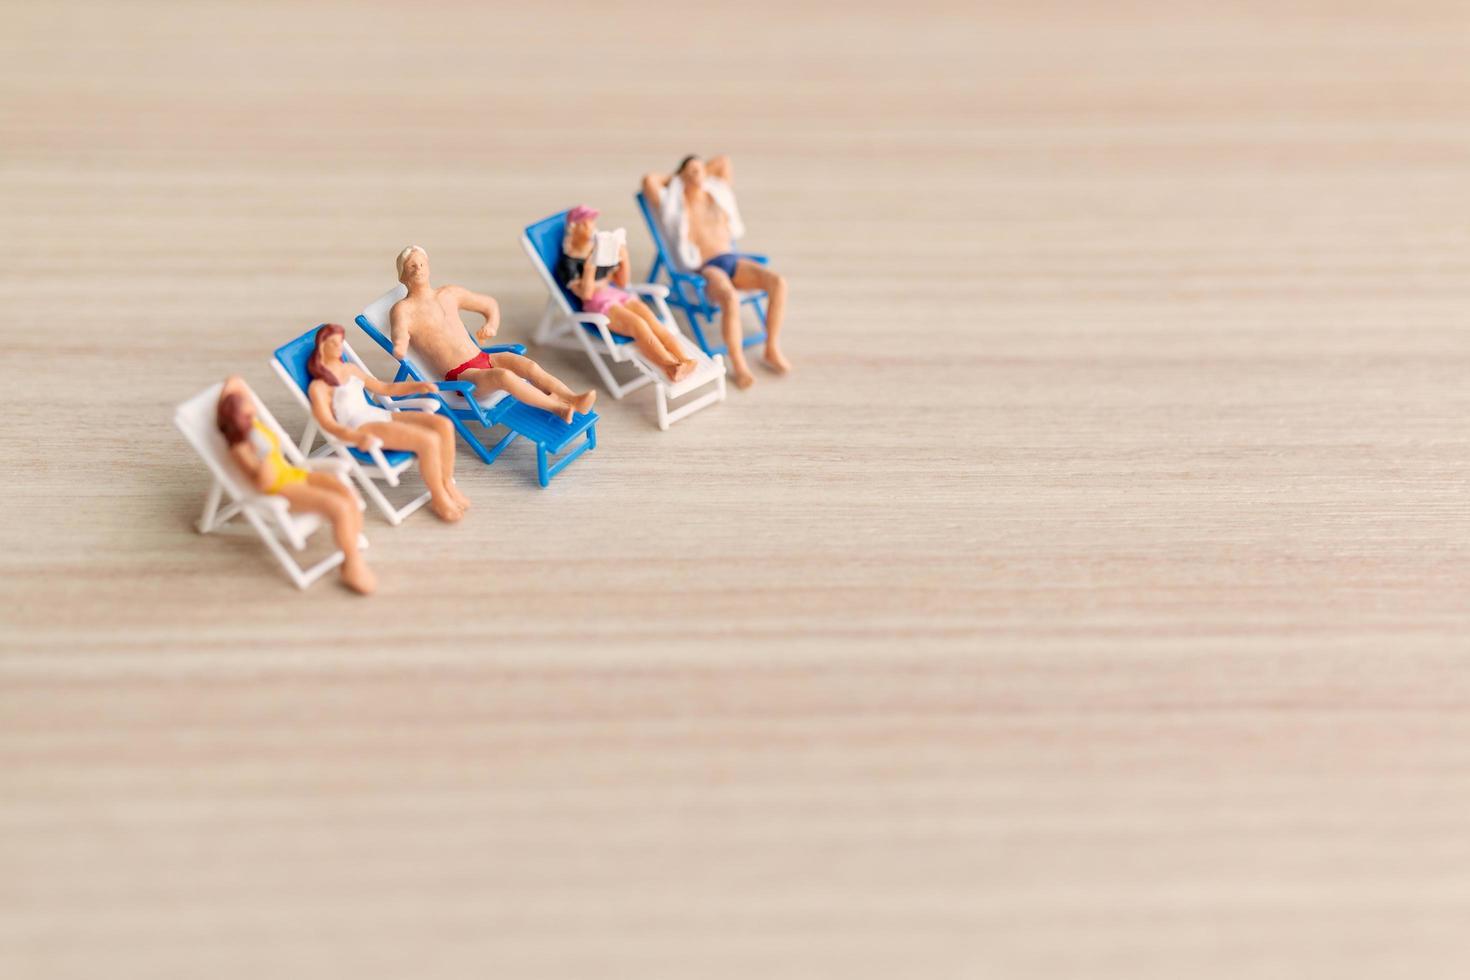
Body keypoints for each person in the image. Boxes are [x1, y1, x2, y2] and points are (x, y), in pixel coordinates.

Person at [389, 246, 596, 423]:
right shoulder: (404, 310)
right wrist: (400, 345)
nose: (418, 269)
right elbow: (400, 332)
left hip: (483, 357)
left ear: (429, 266)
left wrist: (492, 324)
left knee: (528, 366)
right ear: (403, 276)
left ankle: (573, 398)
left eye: (421, 264)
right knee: (504, 377)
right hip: (462, 377)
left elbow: (489, 304)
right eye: (411, 266)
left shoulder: (449, 294)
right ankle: (557, 408)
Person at [215, 376, 375, 595]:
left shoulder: (255, 427)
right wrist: (263, 455)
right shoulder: (240, 448)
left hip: (293, 473)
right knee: (337, 505)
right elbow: (262, 483)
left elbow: (236, 381)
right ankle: (352, 563)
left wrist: (233, 397)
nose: (251, 404)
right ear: (235, 415)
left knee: (346, 492)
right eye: (246, 405)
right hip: (280, 488)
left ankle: (351, 538)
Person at [641, 154, 790, 389]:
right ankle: (739, 366)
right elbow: (649, 180)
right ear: (681, 176)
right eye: (690, 171)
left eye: (700, 170)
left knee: (778, 282)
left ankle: (771, 349)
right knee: (729, 297)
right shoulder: (675, 204)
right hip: (708, 267)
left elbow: (724, 161)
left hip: (732, 258)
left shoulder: (717, 193)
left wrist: (698, 171)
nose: (697, 174)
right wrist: (679, 177)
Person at [305, 323, 470, 522]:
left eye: (340, 341)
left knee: (444, 425)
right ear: (322, 347)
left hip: (375, 413)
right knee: (428, 440)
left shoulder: (350, 369)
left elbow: (384, 388)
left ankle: (447, 483)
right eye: (333, 343)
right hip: (360, 425)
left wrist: (417, 386)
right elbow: (327, 423)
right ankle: (439, 497)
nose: (339, 346)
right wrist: (354, 437)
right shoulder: (319, 386)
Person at [559, 204, 697, 383]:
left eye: (591, 222)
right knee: (638, 325)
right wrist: (589, 266)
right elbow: (586, 294)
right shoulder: (567, 263)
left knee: (651, 321)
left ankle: (684, 359)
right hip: (598, 302)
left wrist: (624, 256)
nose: (591, 227)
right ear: (574, 228)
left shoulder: (599, 249)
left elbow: (622, 282)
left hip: (617, 294)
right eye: (585, 224)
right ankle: (670, 365)